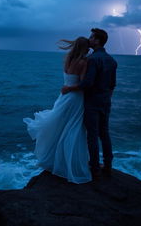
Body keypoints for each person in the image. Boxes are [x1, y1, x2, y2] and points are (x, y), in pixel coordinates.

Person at [23, 36, 93, 183]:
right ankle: (70, 165)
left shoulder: (67, 59)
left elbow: (69, 79)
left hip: (63, 97)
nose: (89, 49)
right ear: (83, 48)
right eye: (87, 47)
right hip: (75, 98)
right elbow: (82, 84)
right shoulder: (83, 62)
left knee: (61, 127)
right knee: (73, 129)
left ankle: (56, 161)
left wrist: (67, 88)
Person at [61, 28, 117, 180]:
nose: (89, 39)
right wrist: (106, 99)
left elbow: (87, 83)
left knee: (92, 136)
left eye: (92, 37)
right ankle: (108, 166)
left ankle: (94, 169)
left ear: (97, 41)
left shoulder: (92, 59)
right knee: (104, 134)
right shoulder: (112, 60)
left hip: (92, 102)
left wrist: (69, 88)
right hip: (105, 102)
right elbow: (112, 85)